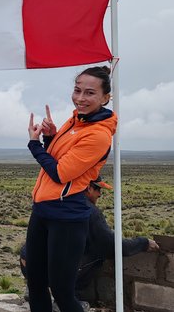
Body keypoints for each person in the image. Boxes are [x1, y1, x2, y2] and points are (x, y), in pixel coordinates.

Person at [25, 66, 117, 312]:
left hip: (67, 217)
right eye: (77, 90)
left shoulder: (98, 135)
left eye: (90, 93)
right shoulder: (75, 120)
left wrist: (34, 145)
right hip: (43, 210)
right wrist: (49, 138)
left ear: (105, 97)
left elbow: (60, 173)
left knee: (63, 292)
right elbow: (60, 156)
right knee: (35, 282)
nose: (80, 98)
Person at [19, 176, 159, 304]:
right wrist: (143, 243)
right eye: (97, 189)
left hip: (29, 263)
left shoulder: (52, 199)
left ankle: (38, 289)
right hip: (52, 271)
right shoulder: (86, 209)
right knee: (97, 253)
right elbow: (111, 246)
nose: (99, 194)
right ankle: (66, 296)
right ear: (88, 187)